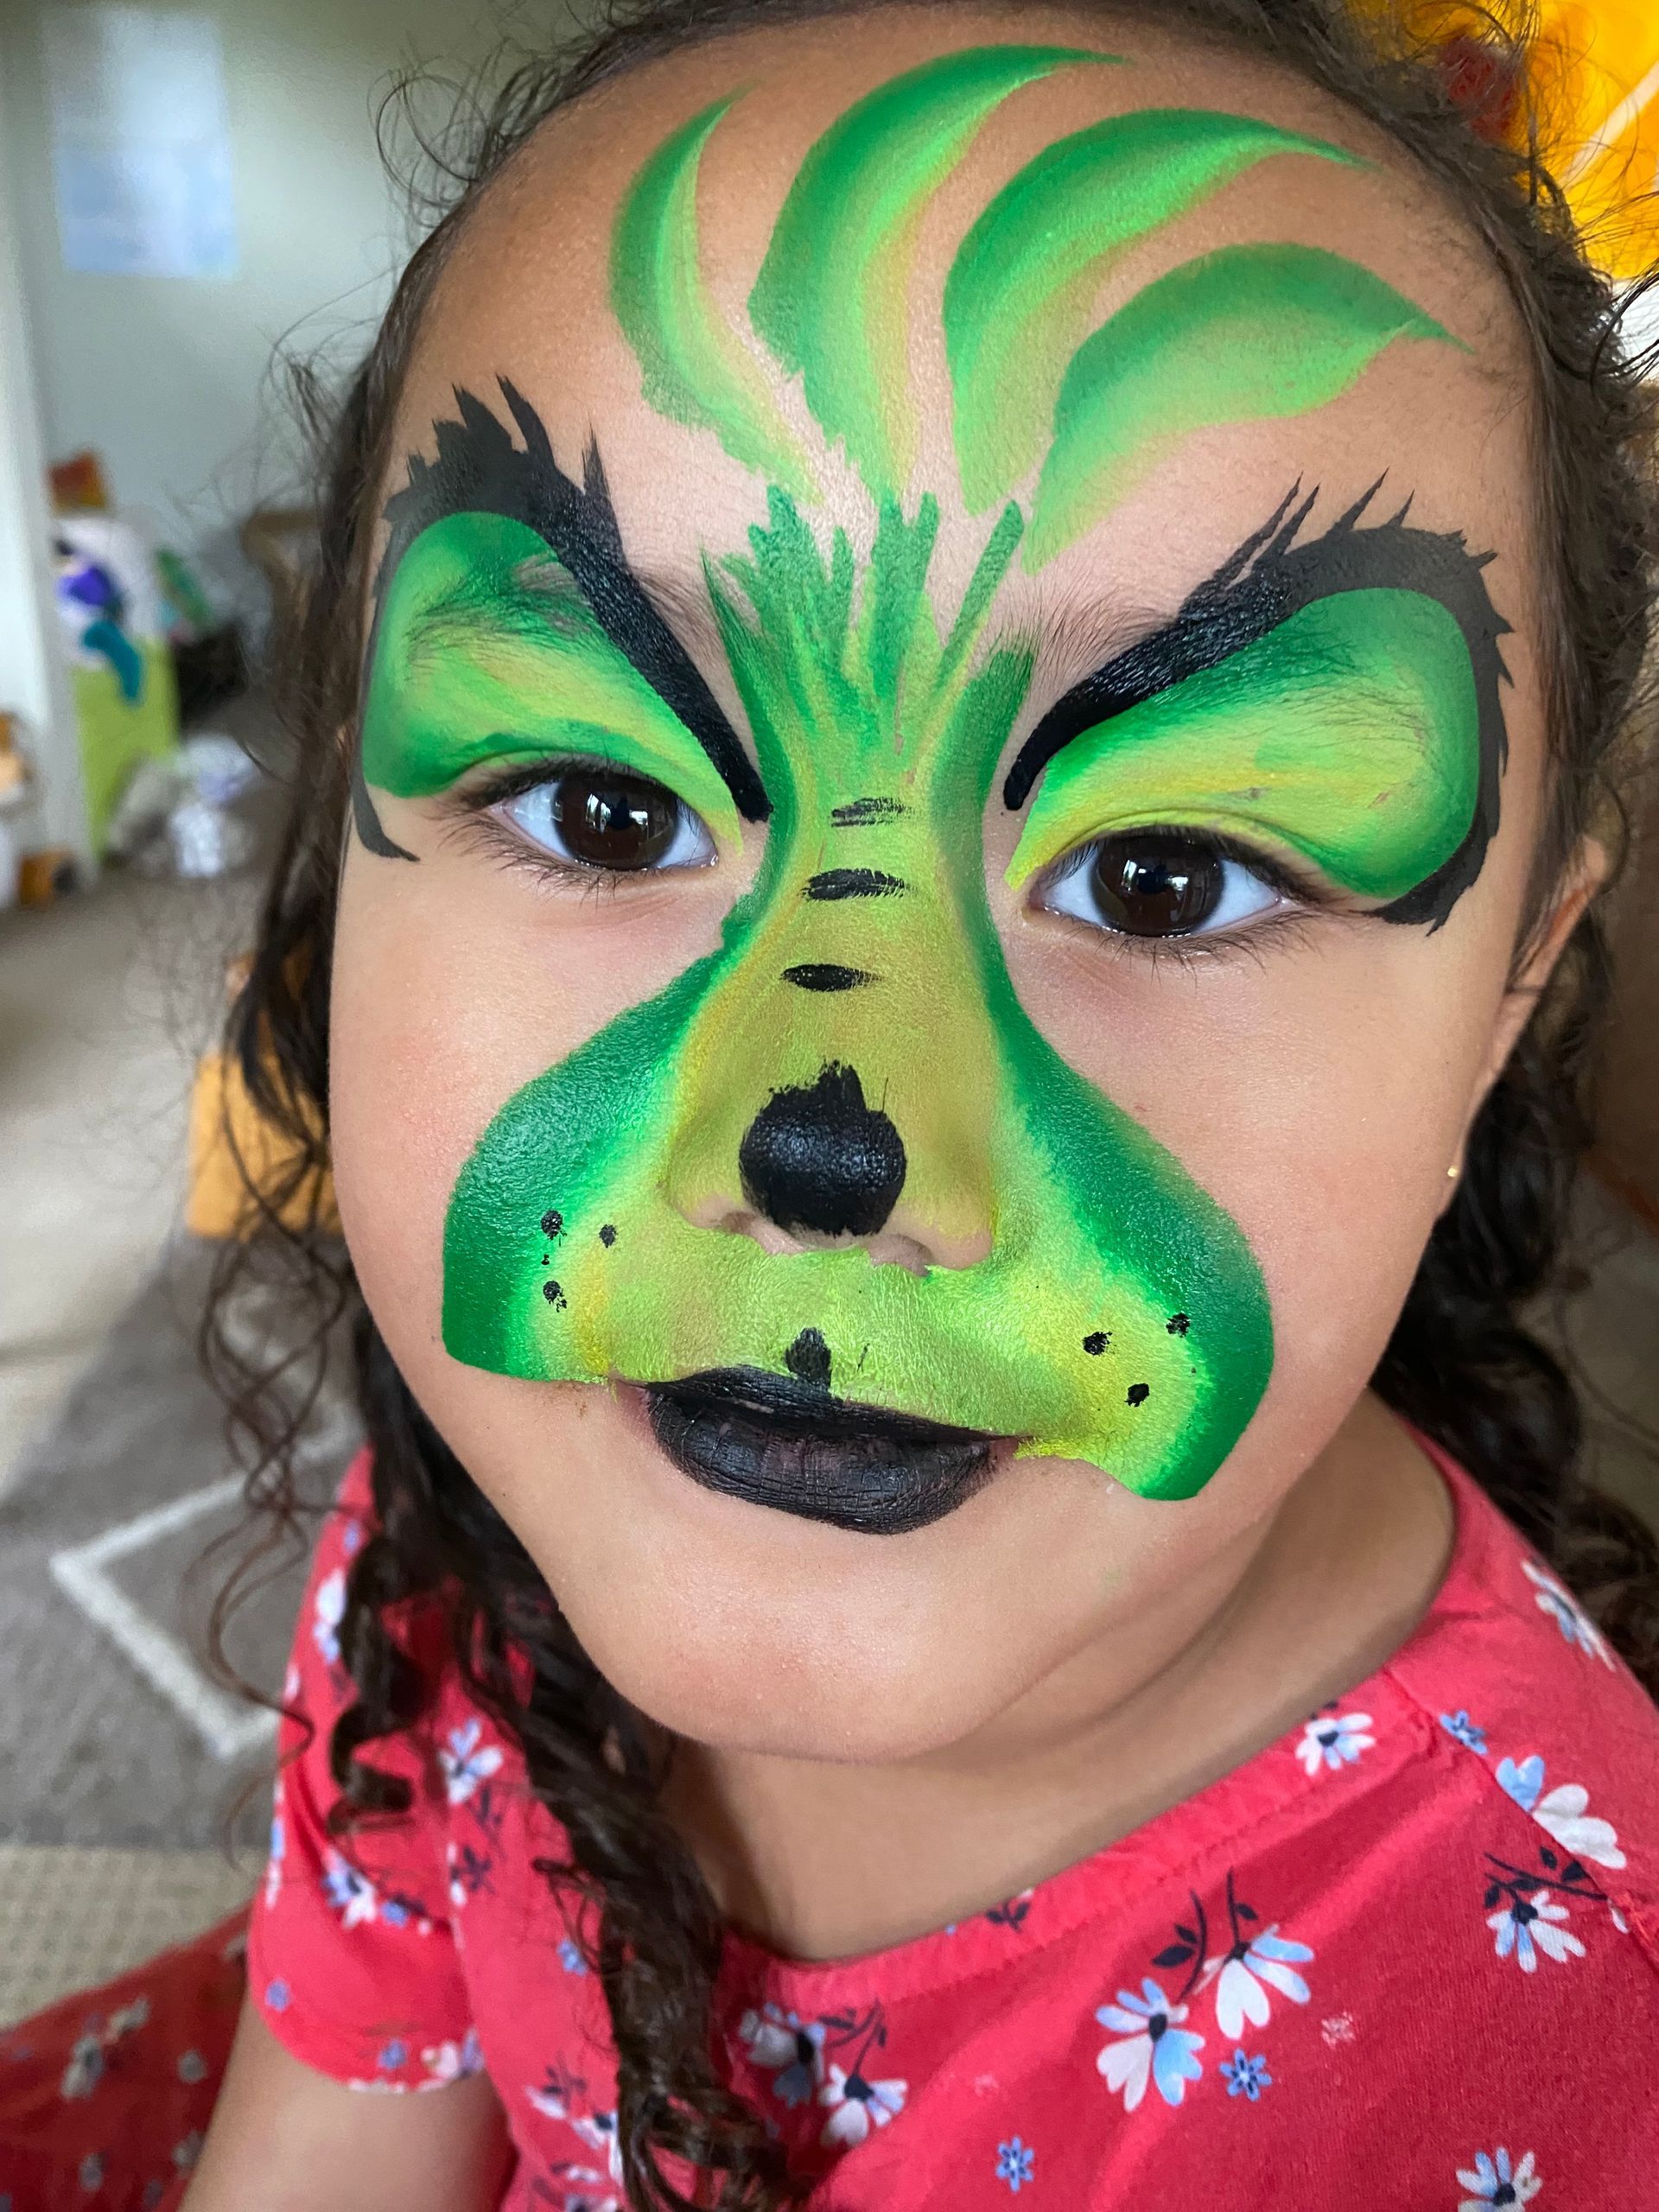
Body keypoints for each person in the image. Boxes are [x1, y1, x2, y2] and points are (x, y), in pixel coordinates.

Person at [8, 1, 1659, 2206]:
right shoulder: (460, 1554)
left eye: (1165, 878)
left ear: (1505, 1002)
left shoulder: (1562, 2047)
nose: (828, 1138)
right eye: (604, 806)